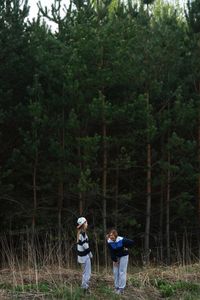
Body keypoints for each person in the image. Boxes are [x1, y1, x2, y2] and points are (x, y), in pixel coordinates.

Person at [106, 229, 134, 295]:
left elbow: (132, 242)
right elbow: (111, 252)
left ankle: (121, 289)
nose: (111, 237)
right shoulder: (109, 241)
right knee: (115, 272)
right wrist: (115, 260)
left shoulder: (122, 240)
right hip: (116, 257)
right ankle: (116, 287)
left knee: (122, 272)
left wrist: (126, 247)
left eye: (112, 235)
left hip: (124, 256)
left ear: (115, 236)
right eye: (110, 235)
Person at [76, 217, 93, 293]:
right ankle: (85, 288)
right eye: (86, 222)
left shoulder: (80, 233)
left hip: (81, 257)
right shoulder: (83, 233)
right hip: (84, 256)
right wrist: (90, 254)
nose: (87, 224)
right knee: (87, 273)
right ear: (83, 224)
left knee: (84, 273)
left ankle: (84, 286)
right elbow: (85, 246)